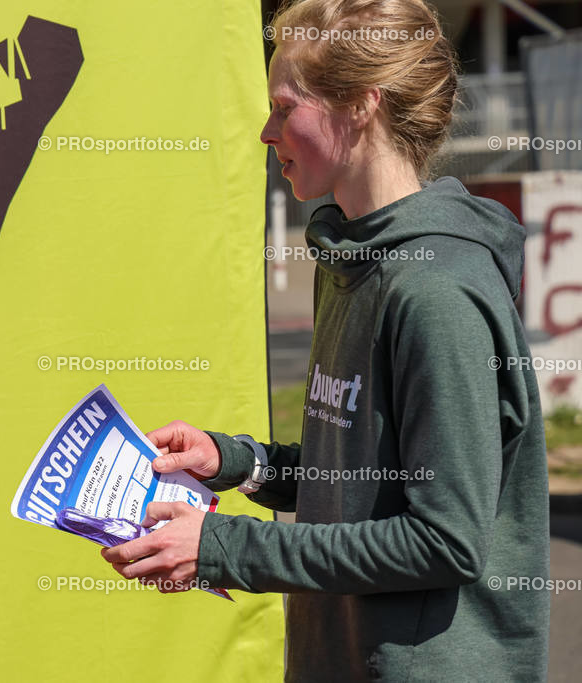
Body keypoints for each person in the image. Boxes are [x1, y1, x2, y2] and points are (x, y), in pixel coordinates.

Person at [101, 0, 550, 680]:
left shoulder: (436, 291)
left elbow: (445, 539)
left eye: (285, 108)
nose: (265, 132)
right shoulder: (347, 255)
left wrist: (227, 547)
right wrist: (238, 462)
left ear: (360, 105)